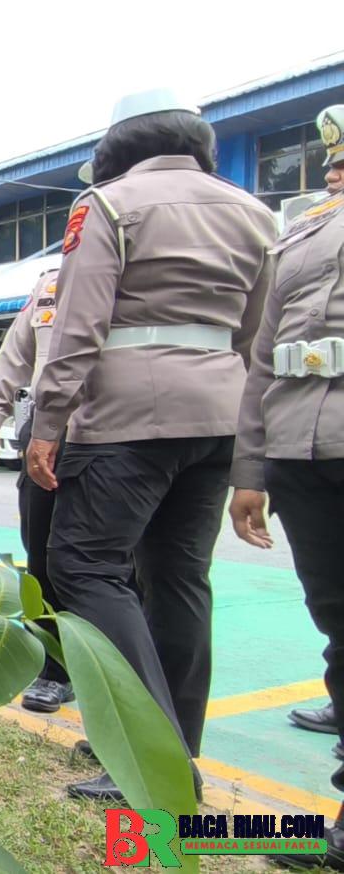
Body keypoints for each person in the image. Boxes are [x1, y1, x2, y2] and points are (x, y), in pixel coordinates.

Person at [24, 88, 276, 801]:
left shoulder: (107, 205)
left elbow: (77, 327)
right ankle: (174, 747)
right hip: (218, 415)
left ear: (116, 148)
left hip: (128, 417)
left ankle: (147, 754)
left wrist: (48, 422)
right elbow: (256, 336)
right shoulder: (256, 213)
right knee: (179, 579)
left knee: (85, 566)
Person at [227, 104, 344, 868]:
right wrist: (249, 469)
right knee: (337, 625)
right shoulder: (299, 232)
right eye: (331, 160)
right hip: (301, 453)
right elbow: (263, 356)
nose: (332, 170)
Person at [0, 258, 77, 713]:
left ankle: (121, 672)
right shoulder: (50, 285)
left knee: (114, 563)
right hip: (45, 428)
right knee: (42, 554)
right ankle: (54, 669)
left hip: (114, 427)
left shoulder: (143, 270)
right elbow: (15, 355)